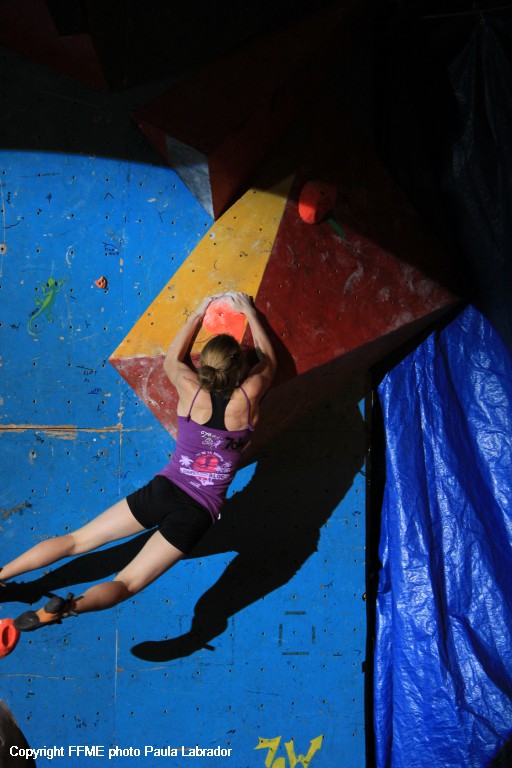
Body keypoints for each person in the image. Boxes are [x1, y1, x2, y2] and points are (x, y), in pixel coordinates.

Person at [0, 292, 276, 632]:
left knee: (77, 540)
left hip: (165, 489)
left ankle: (2, 575)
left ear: (204, 365)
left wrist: (198, 313)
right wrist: (249, 312)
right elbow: (268, 359)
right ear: (239, 371)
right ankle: (66, 608)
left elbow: (172, 359)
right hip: (197, 512)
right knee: (127, 583)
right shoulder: (247, 399)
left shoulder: (190, 390)